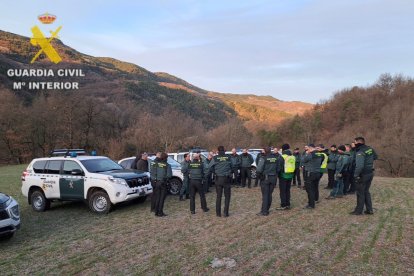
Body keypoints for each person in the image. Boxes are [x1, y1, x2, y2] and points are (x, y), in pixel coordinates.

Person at [350, 137, 377, 215]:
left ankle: (358, 211)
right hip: (370, 173)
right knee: (366, 191)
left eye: (355, 142)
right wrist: (369, 162)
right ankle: (369, 209)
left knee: (360, 193)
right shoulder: (370, 149)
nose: (354, 144)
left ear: (358, 143)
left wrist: (356, 175)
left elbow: (360, 166)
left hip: (362, 174)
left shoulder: (360, 152)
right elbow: (375, 157)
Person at [209, 146, 232, 217]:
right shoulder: (228, 157)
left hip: (218, 179)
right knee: (227, 197)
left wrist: (215, 172)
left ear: (218, 151)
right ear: (224, 150)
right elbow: (233, 166)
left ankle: (218, 213)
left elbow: (210, 167)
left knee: (218, 197)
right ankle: (225, 213)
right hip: (227, 179)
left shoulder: (215, 158)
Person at [256, 147, 279, 216]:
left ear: (265, 151)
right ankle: (267, 209)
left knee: (265, 195)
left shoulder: (263, 158)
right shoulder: (276, 158)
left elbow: (259, 169)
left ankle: (264, 211)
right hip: (273, 178)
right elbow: (279, 168)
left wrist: (259, 176)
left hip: (265, 178)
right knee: (269, 194)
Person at [150, 152, 172, 217]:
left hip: (156, 182)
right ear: (166, 158)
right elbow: (169, 175)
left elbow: (152, 172)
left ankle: (156, 212)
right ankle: (160, 212)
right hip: (163, 183)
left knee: (157, 197)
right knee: (162, 198)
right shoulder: (167, 165)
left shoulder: (155, 164)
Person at [303, 144, 324, 209]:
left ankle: (311, 204)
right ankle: (315, 199)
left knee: (309, 189)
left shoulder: (310, 154)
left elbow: (303, 160)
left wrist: (306, 154)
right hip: (317, 172)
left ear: (310, 148)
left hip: (310, 173)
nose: (307, 150)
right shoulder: (319, 154)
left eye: (308, 148)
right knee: (315, 187)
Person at [277, 144, 295, 210]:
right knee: (288, 190)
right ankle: (288, 204)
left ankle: (283, 205)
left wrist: (277, 175)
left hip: (283, 176)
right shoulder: (293, 156)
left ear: (283, 149)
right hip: (290, 175)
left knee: (283, 191)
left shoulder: (282, 157)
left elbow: (279, 167)